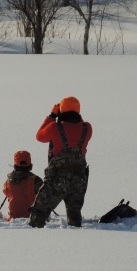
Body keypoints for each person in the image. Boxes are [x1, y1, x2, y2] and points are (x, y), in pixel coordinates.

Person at [28, 96, 92, 228]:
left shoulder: (54, 127)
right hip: (79, 180)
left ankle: (33, 242)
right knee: (74, 218)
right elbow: (79, 125)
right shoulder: (87, 128)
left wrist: (52, 115)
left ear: (61, 111)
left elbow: (39, 136)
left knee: (38, 215)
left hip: (57, 180)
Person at [2, 150, 43, 220]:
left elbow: (7, 193)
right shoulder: (36, 180)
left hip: (13, 218)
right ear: (30, 165)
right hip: (33, 218)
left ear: (15, 165)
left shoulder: (7, 182)